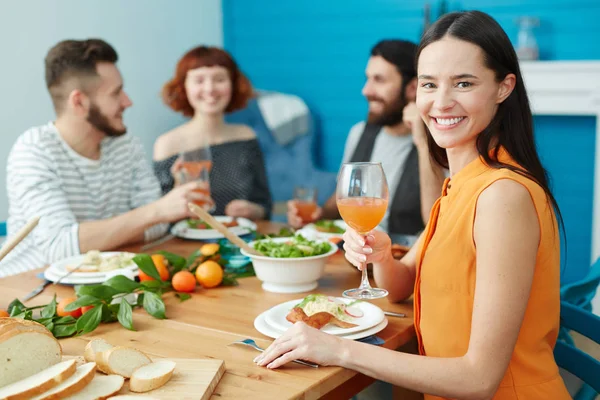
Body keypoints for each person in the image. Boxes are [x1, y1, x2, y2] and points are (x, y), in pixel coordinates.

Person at [255, 11, 570, 399]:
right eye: (429, 84)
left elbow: (479, 379)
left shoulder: (501, 195)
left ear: (504, 87)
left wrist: (338, 349)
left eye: (464, 83)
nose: (441, 102)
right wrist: (384, 257)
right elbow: (403, 284)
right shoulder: (461, 185)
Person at [0, 39, 201, 277]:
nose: (127, 101)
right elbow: (59, 247)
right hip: (29, 290)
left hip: (100, 283)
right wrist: (156, 211)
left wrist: (92, 236)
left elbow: (157, 227)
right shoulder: (33, 150)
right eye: (116, 93)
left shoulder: (125, 144)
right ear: (79, 102)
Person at [287, 40, 445, 237]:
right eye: (368, 79)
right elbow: (344, 198)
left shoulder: (441, 141)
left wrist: (423, 143)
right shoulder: (359, 132)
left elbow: (439, 222)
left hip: (405, 259)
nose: (366, 91)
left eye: (379, 80)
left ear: (412, 88)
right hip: (357, 254)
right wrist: (317, 216)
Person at [154, 46, 272, 221]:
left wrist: (253, 211)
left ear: (233, 84)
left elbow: (265, 206)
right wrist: (179, 190)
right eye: (199, 80)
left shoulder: (246, 136)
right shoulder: (167, 145)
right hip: (186, 246)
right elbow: (159, 221)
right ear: (183, 87)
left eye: (219, 79)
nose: (210, 89)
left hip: (241, 241)